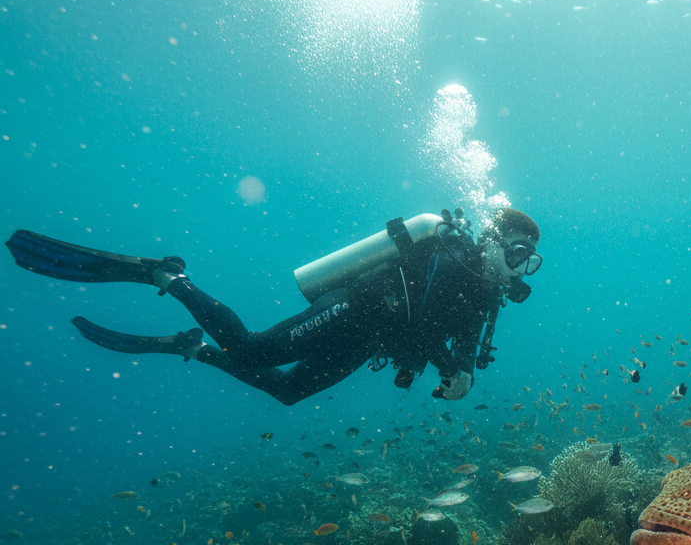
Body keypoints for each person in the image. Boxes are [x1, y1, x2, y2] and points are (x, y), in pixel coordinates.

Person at [4, 206, 542, 405]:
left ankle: (189, 348)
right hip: (356, 308)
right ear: (492, 241)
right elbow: (423, 324)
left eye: (529, 263)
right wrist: (448, 365)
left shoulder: (485, 298)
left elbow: (463, 352)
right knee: (251, 347)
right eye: (517, 254)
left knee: (286, 392)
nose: (520, 268)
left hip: (368, 341)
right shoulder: (452, 256)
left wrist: (459, 378)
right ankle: (166, 275)